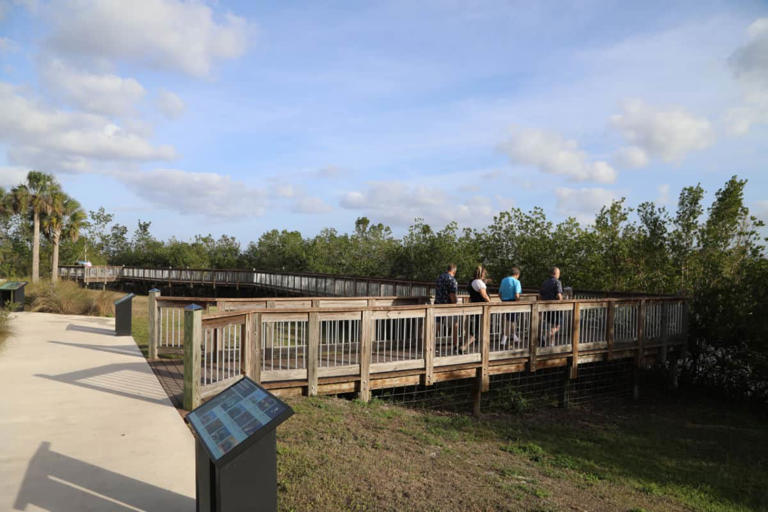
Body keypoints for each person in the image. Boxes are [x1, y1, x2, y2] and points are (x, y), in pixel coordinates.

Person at [498, 267, 522, 348]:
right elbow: (517, 295)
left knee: (508, 321)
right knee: (511, 321)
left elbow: (500, 294)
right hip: (513, 302)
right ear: (517, 274)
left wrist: (503, 300)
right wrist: (518, 303)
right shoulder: (516, 282)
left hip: (504, 302)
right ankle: (504, 340)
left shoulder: (503, 280)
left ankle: (514, 337)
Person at [539, 266, 564, 346]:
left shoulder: (544, 282)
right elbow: (559, 296)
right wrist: (562, 302)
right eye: (558, 273)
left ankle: (551, 344)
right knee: (557, 326)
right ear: (555, 273)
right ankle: (545, 337)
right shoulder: (557, 282)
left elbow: (540, 296)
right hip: (555, 307)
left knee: (552, 325)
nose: (559, 275)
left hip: (546, 307)